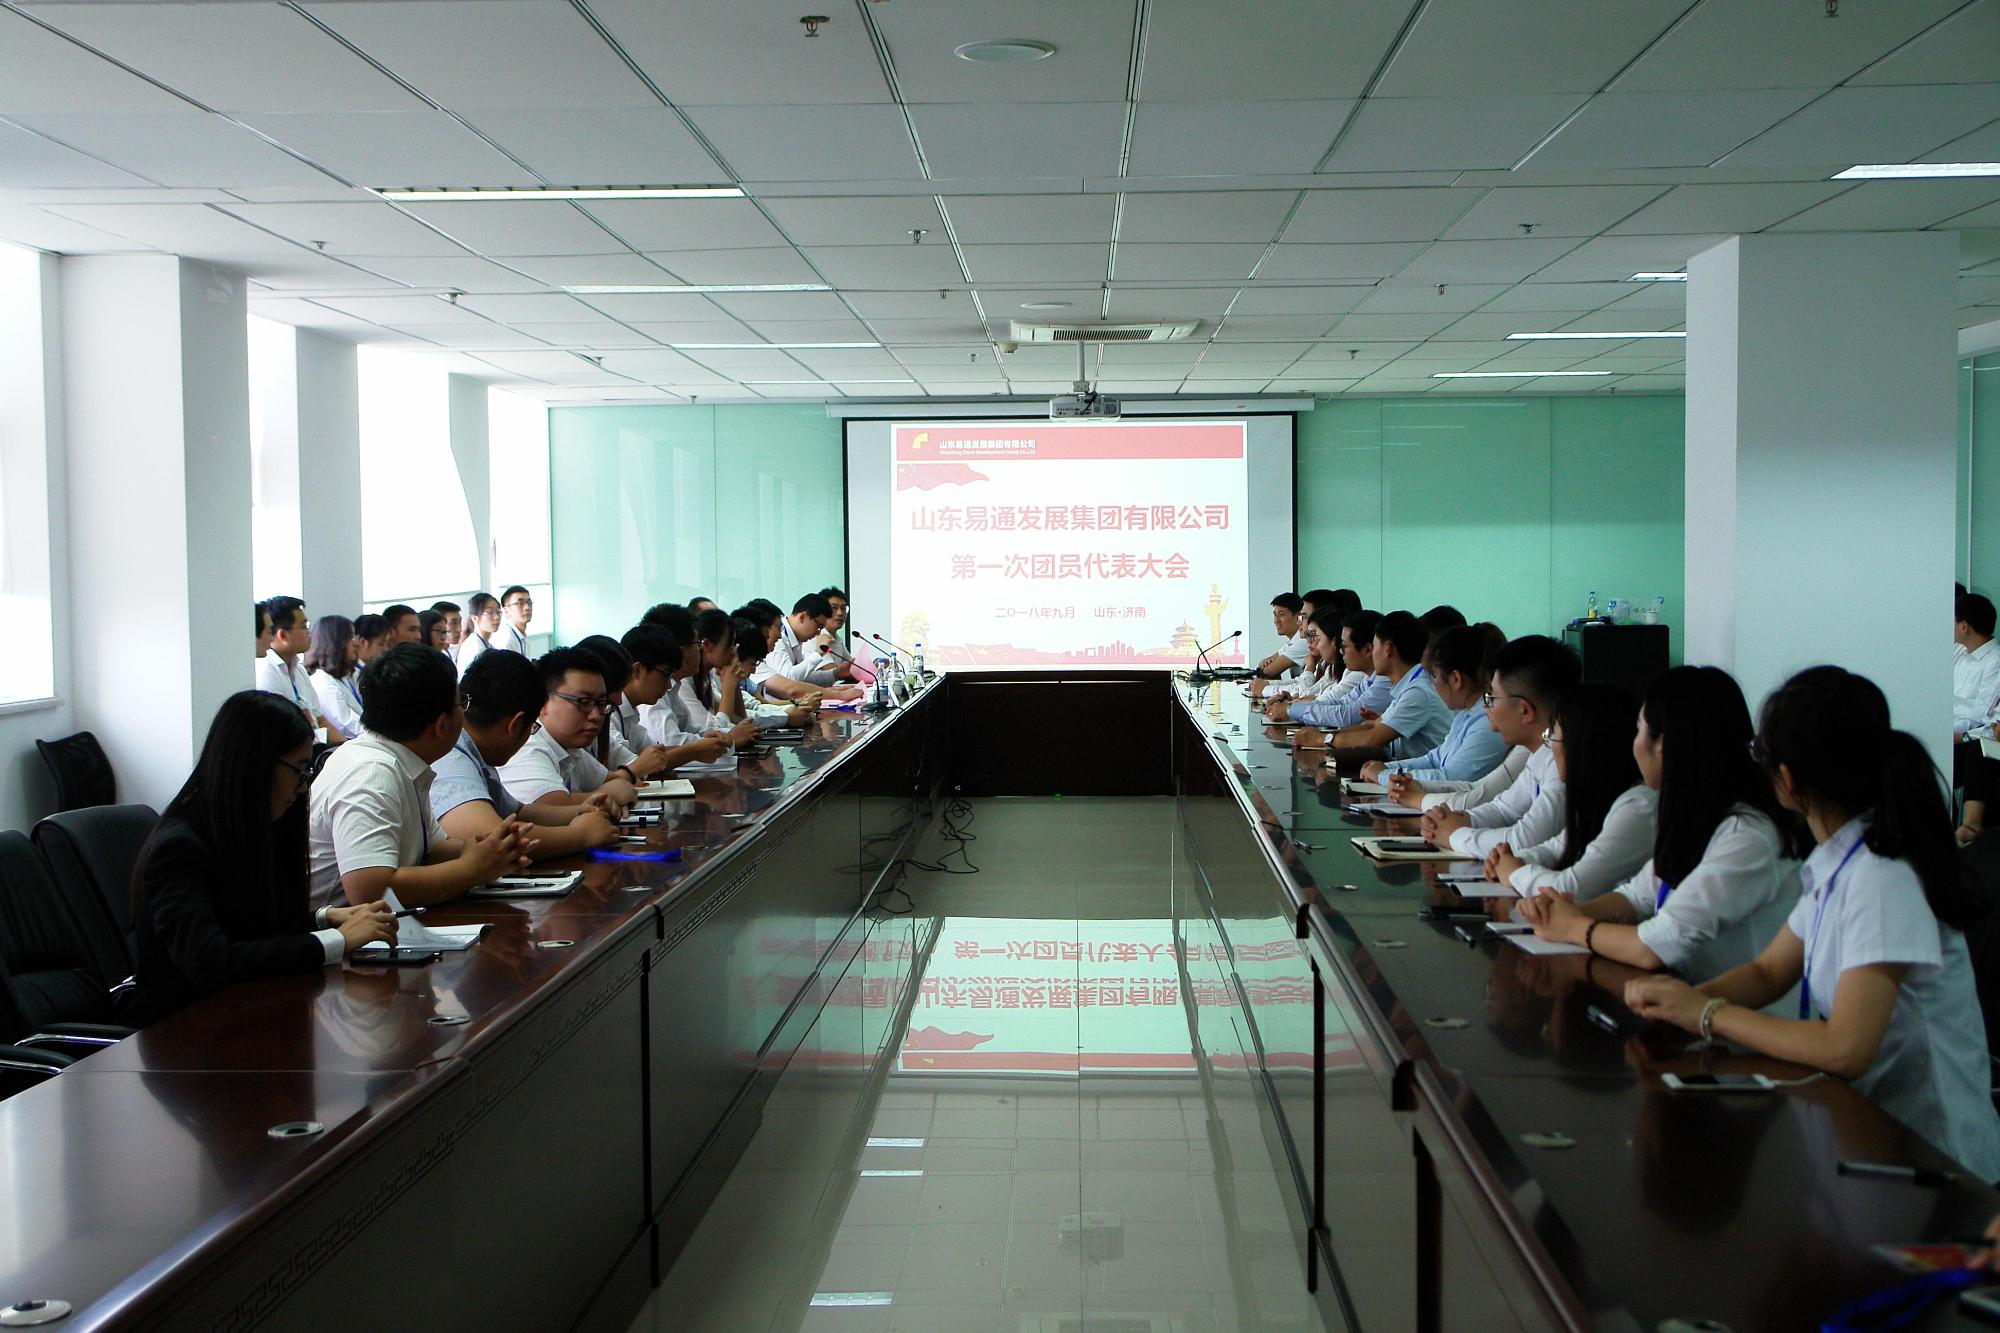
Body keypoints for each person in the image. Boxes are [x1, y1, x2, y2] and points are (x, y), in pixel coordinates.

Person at [1625, 667, 2000, 1182]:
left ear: (1787, 778)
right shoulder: (1838, 860)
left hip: (1937, 1161)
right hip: (1870, 1134)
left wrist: (1707, 1013)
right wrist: (1679, 1006)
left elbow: (1846, 1048)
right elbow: (1767, 972)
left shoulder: (1881, 878)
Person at [1516, 666, 1805, 985]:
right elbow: (1637, 896)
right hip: (1689, 996)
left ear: (1663, 744)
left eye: (1639, 730)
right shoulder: (1697, 817)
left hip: (1734, 1010)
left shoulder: (1748, 834)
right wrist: (1566, 911)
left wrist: (1573, 927)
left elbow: (1656, 944)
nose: (1634, 744)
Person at [130, 691, 398, 1023]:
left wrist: (325, 919)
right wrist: (337, 940)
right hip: (184, 1031)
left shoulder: (247, 826)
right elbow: (211, 961)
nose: (303, 787)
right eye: (299, 770)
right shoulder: (178, 848)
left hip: (246, 1013)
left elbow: (248, 926)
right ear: (254, 765)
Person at [308, 643, 532, 908]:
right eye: (462, 703)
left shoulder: (402, 760)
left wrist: (490, 851)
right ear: (442, 725)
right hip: (336, 929)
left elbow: (433, 850)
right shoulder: (371, 774)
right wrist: (471, 869)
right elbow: (369, 890)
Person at [430, 651, 621, 860]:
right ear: (516, 725)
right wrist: (579, 835)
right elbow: (493, 839)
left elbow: (519, 812)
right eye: (532, 728)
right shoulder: (450, 756)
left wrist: (581, 812)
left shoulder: (475, 751)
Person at [1484, 682, 1655, 902]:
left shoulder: (1639, 807)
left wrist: (1514, 872)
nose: (1550, 746)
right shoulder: (1598, 799)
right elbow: (1555, 848)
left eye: (1553, 735)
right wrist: (1512, 859)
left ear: (1581, 745)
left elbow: (1570, 888)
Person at [498, 647, 722, 808]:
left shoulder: (571, 750)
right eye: (584, 702)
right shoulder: (529, 747)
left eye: (602, 704)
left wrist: (616, 786)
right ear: (543, 702)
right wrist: (608, 793)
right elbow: (549, 805)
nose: (596, 715)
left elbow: (613, 781)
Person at [1418, 635, 1578, 857]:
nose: (1486, 707)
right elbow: (1504, 808)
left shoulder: (1562, 762)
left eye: (1491, 698)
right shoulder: (1541, 752)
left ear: (1524, 710)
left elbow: (1523, 840)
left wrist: (1454, 835)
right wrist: (1464, 819)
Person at [1362, 624, 1508, 787]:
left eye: (1435, 677)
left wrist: (1383, 775)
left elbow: (1451, 778)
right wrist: (1387, 768)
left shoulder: (1487, 723)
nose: (1434, 684)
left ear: (1455, 679)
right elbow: (1434, 759)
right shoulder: (1465, 714)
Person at [1304, 611, 1452, 759]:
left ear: (1388, 649)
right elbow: (1373, 725)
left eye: (1374, 646)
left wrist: (1321, 739)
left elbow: (1372, 738)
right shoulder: (1409, 683)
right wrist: (1321, 735)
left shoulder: (1417, 692)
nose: (1371, 653)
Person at [1270, 610, 1386, 727]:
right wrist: (1292, 707)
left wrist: (1290, 709)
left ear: (1368, 650)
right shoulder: (1368, 679)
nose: (1341, 651)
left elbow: (1347, 715)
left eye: (1344, 646)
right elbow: (1341, 702)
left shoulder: (1381, 681)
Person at [255, 596, 339, 742]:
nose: (309, 632)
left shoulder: (298, 669)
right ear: (283, 635)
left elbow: (320, 720)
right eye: (304, 626)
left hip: (313, 746)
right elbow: (280, 733)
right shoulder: (266, 672)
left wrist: (346, 748)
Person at [304, 614, 363, 742]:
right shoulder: (322, 681)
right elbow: (347, 725)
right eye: (351, 637)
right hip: (350, 742)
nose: (356, 643)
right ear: (335, 642)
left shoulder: (350, 674)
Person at [1956, 593, 2000, 738]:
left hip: (1964, 738)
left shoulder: (1995, 662)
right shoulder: (1961, 651)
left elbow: (1979, 718)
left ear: (1964, 626)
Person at [1255, 593, 1307, 679]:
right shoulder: (1292, 641)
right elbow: (1264, 663)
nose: (1276, 620)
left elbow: (1269, 671)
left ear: (1298, 616)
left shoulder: (1303, 641)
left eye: (1281, 614)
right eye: (1275, 615)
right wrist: (1265, 663)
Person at [457, 592, 501, 672]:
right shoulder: (475, 649)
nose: (497, 617)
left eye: (498, 612)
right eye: (490, 612)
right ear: (474, 618)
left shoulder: (487, 645)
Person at [496, 586, 534, 655]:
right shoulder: (506, 640)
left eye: (529, 602)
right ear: (506, 610)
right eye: (520, 603)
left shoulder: (522, 636)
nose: (527, 607)